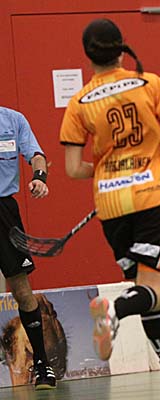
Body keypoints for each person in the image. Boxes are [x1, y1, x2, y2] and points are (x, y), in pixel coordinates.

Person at [58, 19, 160, 399]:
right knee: (151, 292)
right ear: (121, 49)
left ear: (88, 54)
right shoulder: (149, 84)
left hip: (110, 205)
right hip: (152, 197)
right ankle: (115, 310)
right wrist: (157, 148)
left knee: (145, 293)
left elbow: (73, 169)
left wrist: (108, 168)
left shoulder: (79, 102)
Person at [0, 106, 56, 390]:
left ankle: (43, 365)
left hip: (4, 213)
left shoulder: (13, 120)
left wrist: (39, 177)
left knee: (22, 290)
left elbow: (36, 155)